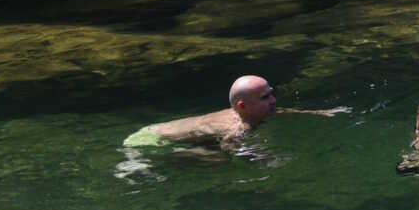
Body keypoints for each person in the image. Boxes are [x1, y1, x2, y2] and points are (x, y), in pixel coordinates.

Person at [123, 75, 346, 150]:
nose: (273, 101)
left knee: (211, 154)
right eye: (265, 98)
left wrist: (319, 113)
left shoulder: (253, 113)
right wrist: (261, 158)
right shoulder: (239, 127)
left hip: (160, 133)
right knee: (216, 160)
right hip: (147, 140)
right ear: (242, 107)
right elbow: (230, 146)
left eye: (271, 94)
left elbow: (281, 110)